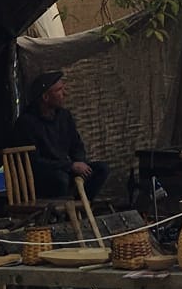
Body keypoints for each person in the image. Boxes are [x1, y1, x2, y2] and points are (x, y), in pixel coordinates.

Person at [11, 70, 109, 201]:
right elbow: (34, 161)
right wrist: (69, 166)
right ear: (45, 97)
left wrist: (80, 162)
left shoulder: (64, 116)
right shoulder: (27, 123)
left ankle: (81, 205)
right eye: (59, 90)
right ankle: (59, 210)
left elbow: (76, 145)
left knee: (101, 169)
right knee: (60, 179)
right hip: (43, 175)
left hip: (65, 168)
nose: (64, 93)